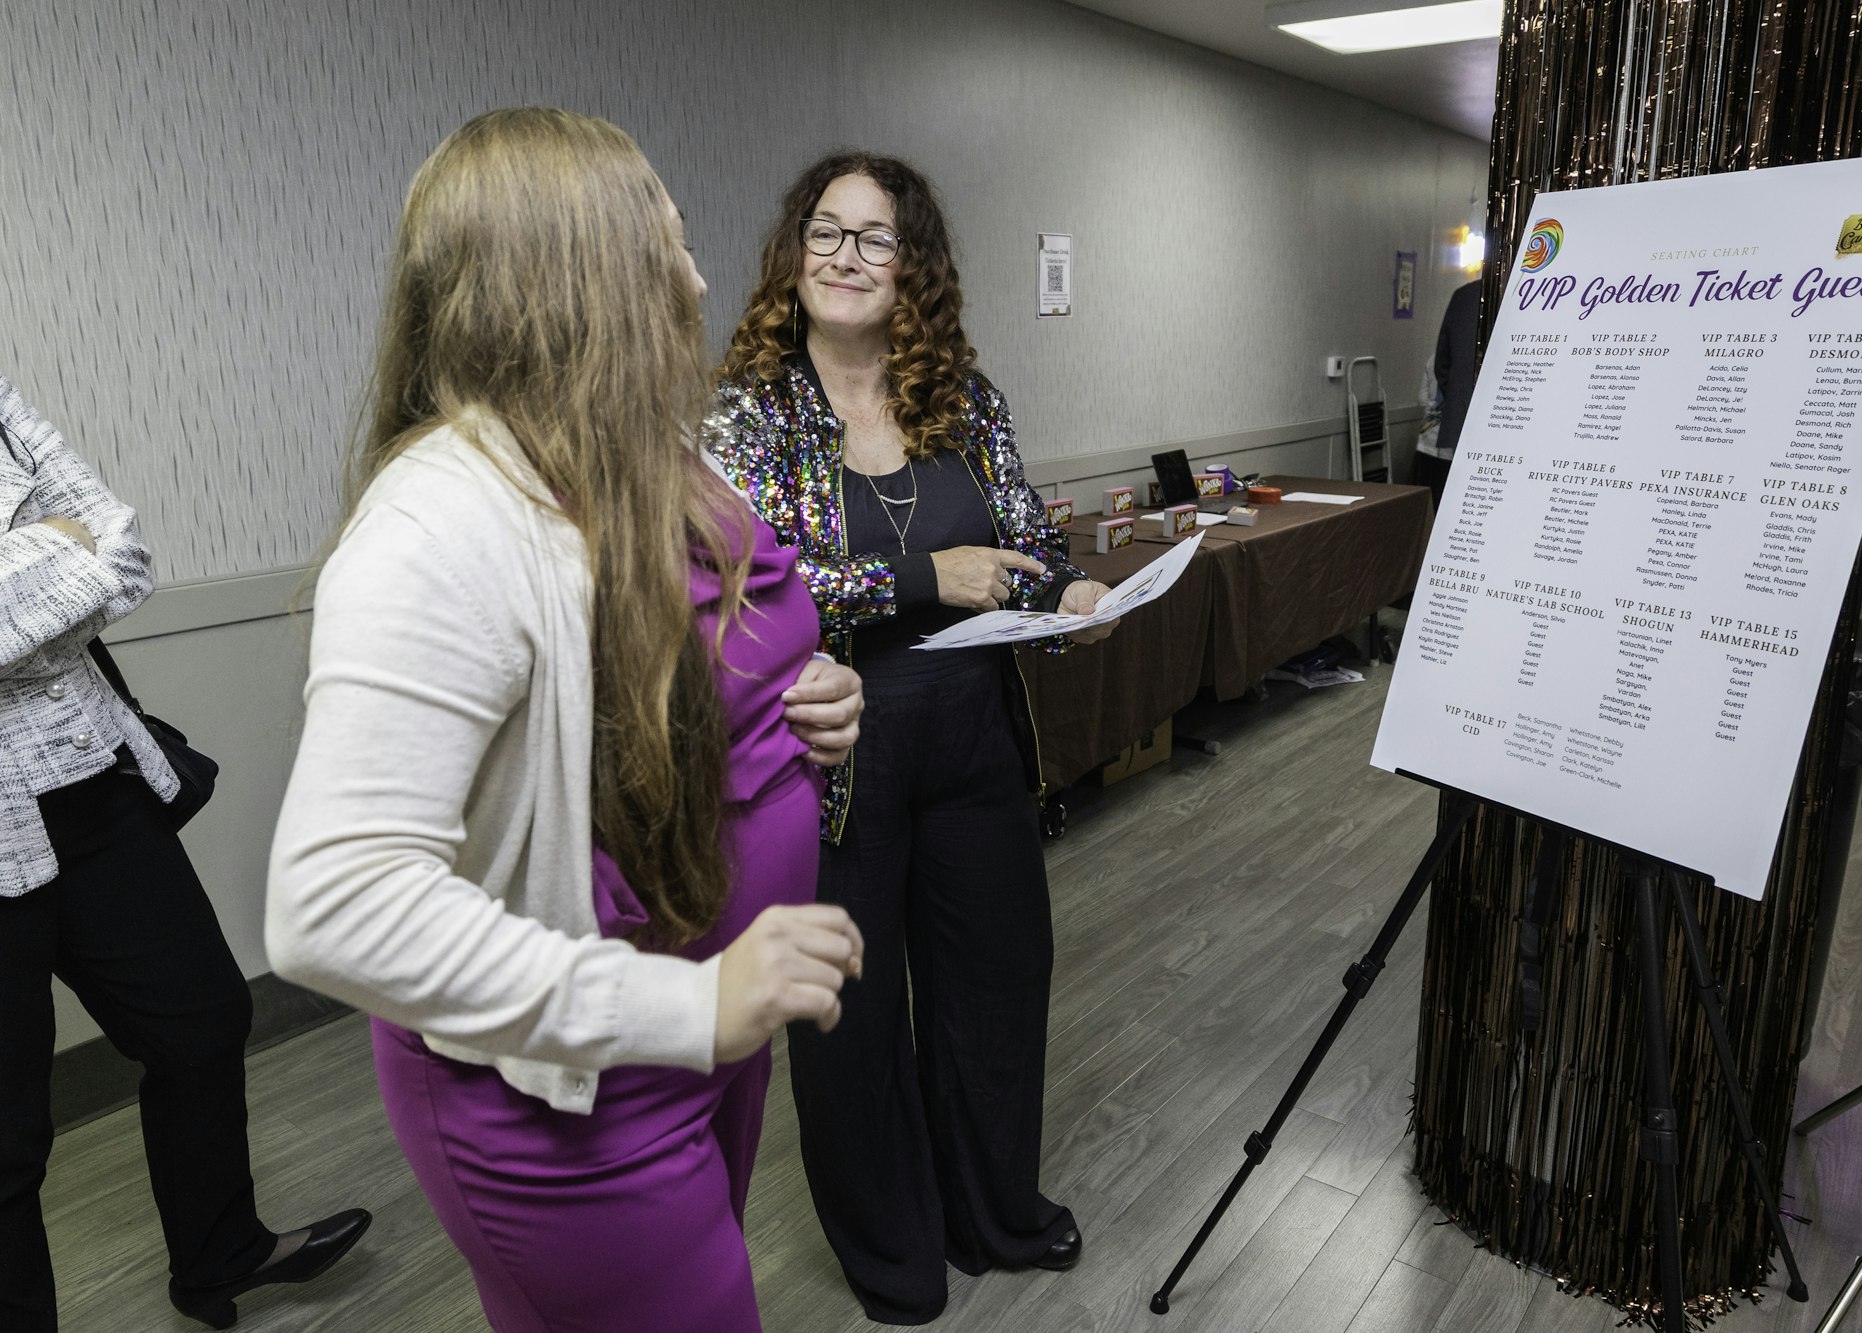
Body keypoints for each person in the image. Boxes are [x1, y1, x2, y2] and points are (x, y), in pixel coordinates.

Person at [265, 108, 866, 1332]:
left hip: (700, 1037)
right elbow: (332, 904)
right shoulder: (438, 521)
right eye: (669, 245)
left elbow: (686, 670)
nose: (697, 279)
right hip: (570, 1090)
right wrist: (686, 1007)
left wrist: (805, 704)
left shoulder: (641, 456)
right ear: (582, 279)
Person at [708, 151, 1115, 1325]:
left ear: (912, 265)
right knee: (849, 1015)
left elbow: (1025, 541)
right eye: (824, 233)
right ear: (795, 255)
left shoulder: (964, 400)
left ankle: (992, 1212)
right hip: (831, 764)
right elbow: (751, 586)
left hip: (974, 745)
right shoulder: (749, 411)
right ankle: (892, 1247)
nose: (844, 257)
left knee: (998, 981)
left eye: (873, 237)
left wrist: (1071, 595)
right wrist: (921, 575)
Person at [0, 375, 369, 1332]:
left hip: (93, 781)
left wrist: (54, 558)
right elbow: (82, 554)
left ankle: (220, 1253)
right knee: (6, 1139)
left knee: (203, 1019)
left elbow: (121, 549)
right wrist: (55, 549)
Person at [1416, 278, 1482, 506]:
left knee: (1460, 497)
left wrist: (1458, 398)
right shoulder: (1538, 293)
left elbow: (1442, 366)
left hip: (1462, 415)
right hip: (1515, 418)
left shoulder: (1465, 295)